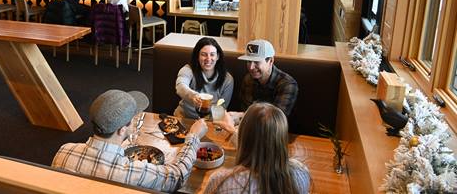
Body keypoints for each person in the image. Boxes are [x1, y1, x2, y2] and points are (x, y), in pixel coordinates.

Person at [52, 89, 208, 193]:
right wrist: (193, 136)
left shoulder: (64, 151)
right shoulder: (131, 172)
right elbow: (178, 176)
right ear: (121, 130)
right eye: (133, 119)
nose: (134, 121)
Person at [204, 102, 310, 193]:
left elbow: (254, 145)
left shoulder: (222, 181)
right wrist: (232, 131)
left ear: (243, 133)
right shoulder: (301, 173)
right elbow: (260, 145)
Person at [174, 37, 234, 119]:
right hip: (184, 117)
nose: (208, 59)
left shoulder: (227, 79)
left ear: (218, 56)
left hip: (211, 121)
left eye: (212, 54)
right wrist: (193, 96)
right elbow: (180, 86)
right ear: (197, 56)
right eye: (204, 54)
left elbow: (221, 109)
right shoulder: (187, 70)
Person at [238, 39, 298, 116]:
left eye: (256, 62)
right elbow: (246, 110)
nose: (251, 67)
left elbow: (275, 120)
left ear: (271, 61)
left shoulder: (287, 84)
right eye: (249, 61)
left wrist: (241, 115)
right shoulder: (248, 79)